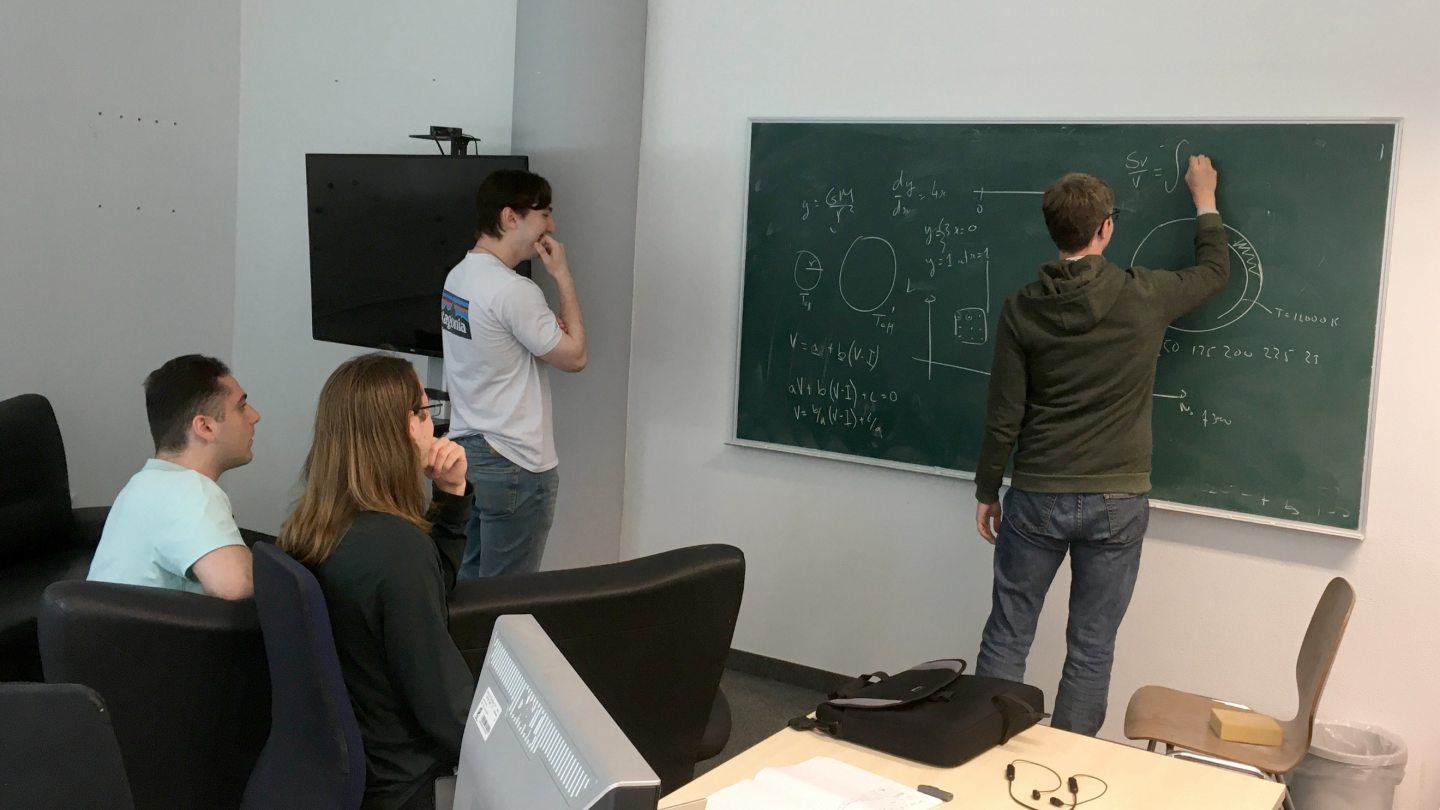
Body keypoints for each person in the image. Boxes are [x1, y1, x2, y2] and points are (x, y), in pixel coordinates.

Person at [972, 156, 1230, 736]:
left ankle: (981, 755)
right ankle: (1066, 775)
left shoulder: (1021, 308)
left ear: (1053, 230)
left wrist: (988, 489)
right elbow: (1215, 271)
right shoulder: (1145, 296)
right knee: (1091, 647)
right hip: (1118, 500)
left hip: (1037, 494)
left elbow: (1003, 415)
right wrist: (1206, 200)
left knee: (1008, 631)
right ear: (1106, 228)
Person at [278, 353, 473, 810]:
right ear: (408, 425)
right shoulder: (396, 549)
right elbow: (448, 711)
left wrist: (450, 499)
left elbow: (423, 592)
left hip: (344, 768)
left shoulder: (312, 526)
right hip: (399, 784)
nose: (433, 426)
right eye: (427, 411)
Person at [440, 169, 588, 578]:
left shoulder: (459, 277)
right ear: (510, 218)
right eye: (544, 214)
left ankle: (462, 645)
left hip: (470, 453)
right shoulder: (515, 292)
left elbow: (499, 349)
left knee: (467, 584)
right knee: (508, 596)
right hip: (516, 464)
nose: (552, 226)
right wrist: (562, 275)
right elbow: (575, 357)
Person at [88, 354, 259, 600]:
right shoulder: (188, 489)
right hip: (147, 638)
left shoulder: (144, 484)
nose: (254, 416)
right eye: (241, 407)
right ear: (206, 427)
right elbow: (237, 585)